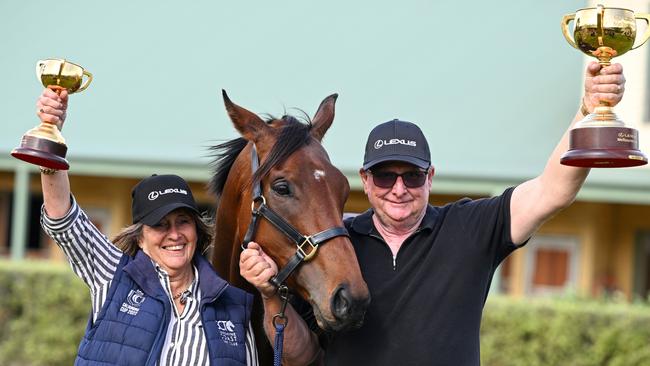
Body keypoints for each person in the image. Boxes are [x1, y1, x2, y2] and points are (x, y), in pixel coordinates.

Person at [239, 61, 626, 366]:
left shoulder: (471, 228)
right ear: (366, 180)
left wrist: (589, 112)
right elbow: (301, 356)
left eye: (412, 175)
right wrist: (271, 296)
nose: (399, 188)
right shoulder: (335, 244)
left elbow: (552, 190)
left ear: (430, 177)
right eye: (386, 175)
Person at [36, 88, 258, 366]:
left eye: (183, 221)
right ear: (140, 238)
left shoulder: (232, 304)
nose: (174, 234)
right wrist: (50, 133)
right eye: (160, 225)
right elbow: (63, 219)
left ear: (197, 230)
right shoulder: (113, 275)